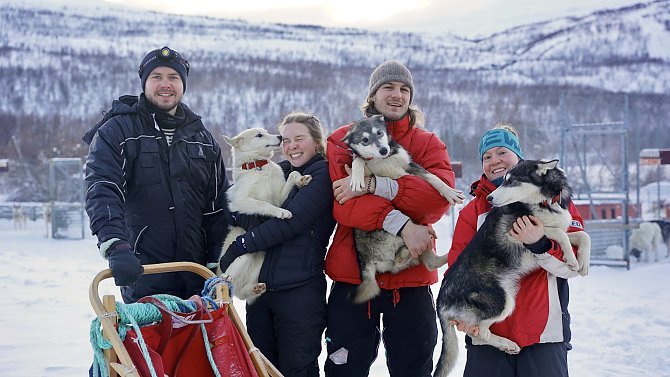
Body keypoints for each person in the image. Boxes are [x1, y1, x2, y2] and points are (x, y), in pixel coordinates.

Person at [325, 60, 457, 377]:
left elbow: (437, 199)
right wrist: (404, 222)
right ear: (373, 95)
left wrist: (375, 186)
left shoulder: (428, 144)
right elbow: (344, 205)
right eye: (388, 87)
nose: (396, 95)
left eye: (404, 89)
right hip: (354, 278)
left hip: (410, 280)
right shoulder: (344, 138)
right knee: (345, 369)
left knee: (414, 368)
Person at [83, 46, 229, 303]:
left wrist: (219, 260)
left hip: (197, 274)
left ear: (183, 84)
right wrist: (115, 244)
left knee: (201, 343)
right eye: (157, 77)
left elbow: (217, 207)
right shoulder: (118, 130)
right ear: (144, 82)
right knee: (147, 343)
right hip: (143, 271)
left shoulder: (203, 139)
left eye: (173, 77)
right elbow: (103, 188)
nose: (166, 84)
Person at [447, 124, 585, 377]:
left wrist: (540, 244)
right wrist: (460, 309)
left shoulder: (555, 202)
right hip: (486, 336)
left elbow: (573, 268)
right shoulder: (473, 213)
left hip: (543, 335)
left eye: (502, 152)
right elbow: (457, 267)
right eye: (487, 157)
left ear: (519, 158)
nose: (494, 161)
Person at [218, 112, 336, 377]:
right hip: (261, 293)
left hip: (298, 293)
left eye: (299, 139)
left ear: (316, 143)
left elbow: (289, 224)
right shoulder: (280, 171)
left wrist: (240, 246)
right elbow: (236, 210)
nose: (291, 145)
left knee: (297, 369)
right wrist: (243, 219)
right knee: (261, 368)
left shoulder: (321, 176)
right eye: (287, 140)